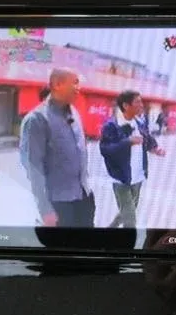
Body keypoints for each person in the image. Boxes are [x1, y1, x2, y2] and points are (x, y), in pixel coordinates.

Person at [19, 67, 95, 228]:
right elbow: (33, 168)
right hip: (59, 204)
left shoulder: (75, 113)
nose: (78, 88)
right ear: (57, 84)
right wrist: (45, 209)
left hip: (84, 197)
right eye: (74, 83)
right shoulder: (36, 120)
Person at [100, 90, 166, 228]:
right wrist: (128, 141)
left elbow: (147, 139)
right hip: (121, 179)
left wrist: (156, 149)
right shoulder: (111, 125)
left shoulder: (139, 122)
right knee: (130, 219)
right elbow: (106, 150)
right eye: (137, 102)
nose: (141, 105)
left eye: (141, 102)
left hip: (138, 177)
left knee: (127, 211)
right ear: (125, 105)